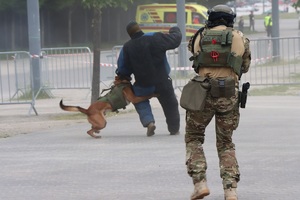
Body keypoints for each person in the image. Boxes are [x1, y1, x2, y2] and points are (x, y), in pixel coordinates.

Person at [184, 5, 251, 200]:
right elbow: (244, 66)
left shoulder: (198, 36)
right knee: (225, 143)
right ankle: (230, 190)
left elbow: (195, 60)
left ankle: (200, 183)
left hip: (202, 92)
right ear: (230, 19)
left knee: (194, 138)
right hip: (228, 93)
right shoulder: (239, 37)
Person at [116, 21, 182, 136]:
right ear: (139, 29)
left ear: (129, 34)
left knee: (139, 100)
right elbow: (175, 40)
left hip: (143, 84)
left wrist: (122, 77)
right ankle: (174, 128)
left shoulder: (127, 47)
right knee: (170, 104)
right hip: (162, 81)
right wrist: (174, 30)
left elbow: (123, 69)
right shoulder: (155, 37)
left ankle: (149, 122)